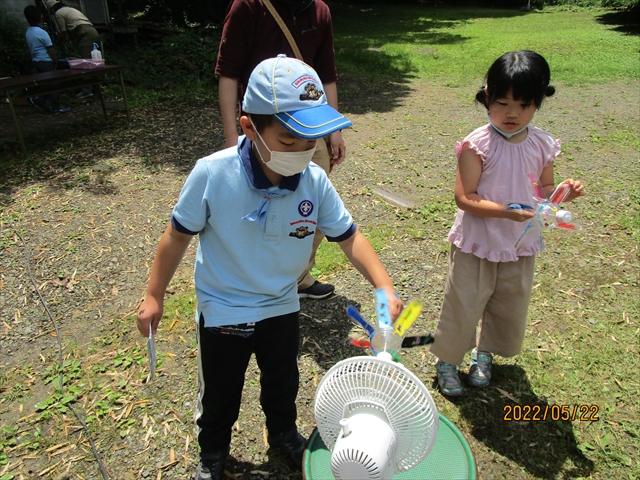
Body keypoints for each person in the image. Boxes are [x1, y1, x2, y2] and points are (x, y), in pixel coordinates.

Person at [136, 55, 403, 480]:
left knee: (283, 381)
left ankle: (282, 433)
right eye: (288, 140)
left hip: (281, 303)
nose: (301, 152)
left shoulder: (314, 181)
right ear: (249, 128)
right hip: (225, 307)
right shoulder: (212, 174)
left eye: (309, 141)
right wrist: (153, 295)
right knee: (221, 392)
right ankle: (213, 453)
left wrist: (384, 285)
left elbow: (349, 237)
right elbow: (176, 236)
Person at [429, 50, 585, 397]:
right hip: (477, 240)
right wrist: (505, 211)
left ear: (539, 103)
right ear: (486, 98)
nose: (512, 113)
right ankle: (448, 361)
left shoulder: (542, 143)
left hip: (519, 243)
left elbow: (544, 192)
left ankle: (484, 355)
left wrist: (561, 194)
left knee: (508, 302)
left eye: (524, 105)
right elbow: (465, 197)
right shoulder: (477, 144)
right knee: (464, 302)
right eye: (502, 103)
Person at [215, 0, 346, 300]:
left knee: (312, 207)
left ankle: (296, 277)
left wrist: (333, 130)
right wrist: (231, 137)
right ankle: (256, 280)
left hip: (311, 128)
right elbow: (229, 74)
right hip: (269, 131)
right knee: (259, 207)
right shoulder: (248, 6)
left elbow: (327, 76)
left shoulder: (320, 11)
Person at [45, 0, 99, 98]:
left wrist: (58, 43)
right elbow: (72, 33)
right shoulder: (69, 10)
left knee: (85, 63)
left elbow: (63, 33)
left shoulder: (58, 13)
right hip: (92, 31)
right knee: (92, 62)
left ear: (52, 8)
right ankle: (95, 86)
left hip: (85, 33)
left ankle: (87, 90)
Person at [23, 5, 69, 114]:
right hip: (46, 61)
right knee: (53, 84)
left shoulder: (28, 32)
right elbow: (51, 50)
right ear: (39, 17)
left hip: (36, 61)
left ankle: (40, 99)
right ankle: (56, 107)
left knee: (45, 83)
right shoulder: (42, 33)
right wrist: (56, 61)